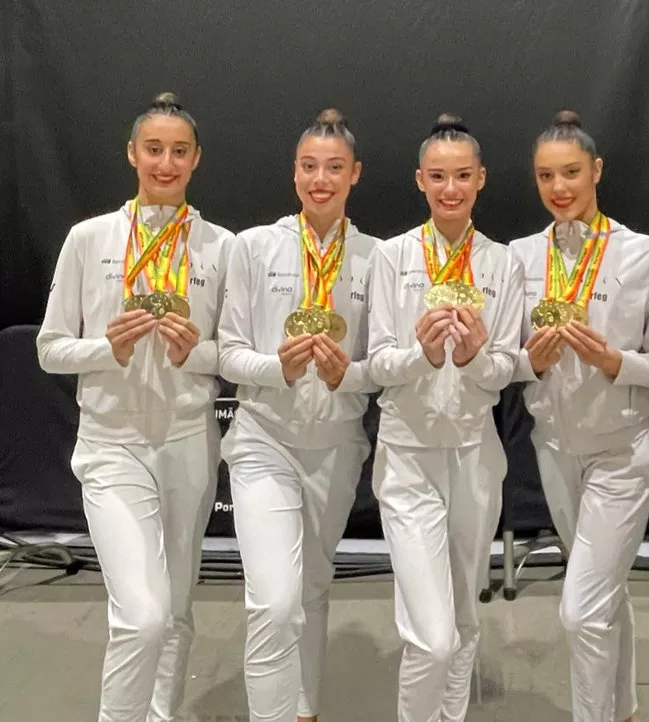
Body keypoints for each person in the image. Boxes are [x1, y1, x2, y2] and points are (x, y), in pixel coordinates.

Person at [35, 92, 231, 722]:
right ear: (131, 153)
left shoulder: (220, 246)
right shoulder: (88, 238)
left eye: (178, 151)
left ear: (196, 159)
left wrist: (196, 352)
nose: (165, 164)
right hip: (111, 443)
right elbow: (49, 349)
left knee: (174, 611)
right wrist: (106, 348)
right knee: (141, 615)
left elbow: (234, 354)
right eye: (154, 149)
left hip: (187, 441)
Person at [217, 109, 379, 722]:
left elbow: (381, 364)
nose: (320, 179)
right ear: (293, 172)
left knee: (311, 585)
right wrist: (275, 367)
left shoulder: (377, 257)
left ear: (355, 174)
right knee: (275, 603)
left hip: (337, 445)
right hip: (264, 439)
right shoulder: (254, 247)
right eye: (309, 166)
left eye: (334, 167)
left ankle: (303, 710)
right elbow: (228, 351)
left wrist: (347, 375)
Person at [509, 110, 649, 722]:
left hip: (623, 451)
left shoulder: (645, 255)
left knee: (581, 609)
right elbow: (502, 360)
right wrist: (530, 361)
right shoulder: (520, 256)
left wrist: (614, 360)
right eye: (546, 176)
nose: (559, 188)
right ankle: (624, 711)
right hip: (554, 448)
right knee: (603, 592)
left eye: (571, 172)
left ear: (596, 170)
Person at [367, 114, 523, 722]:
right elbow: (378, 363)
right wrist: (424, 355)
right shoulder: (392, 256)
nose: (450, 189)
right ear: (419, 180)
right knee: (430, 636)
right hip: (408, 457)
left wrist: (477, 354)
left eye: (462, 176)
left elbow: (503, 370)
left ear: (480, 178)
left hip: (475, 457)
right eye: (437, 176)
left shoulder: (502, 263)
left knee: (463, 617)